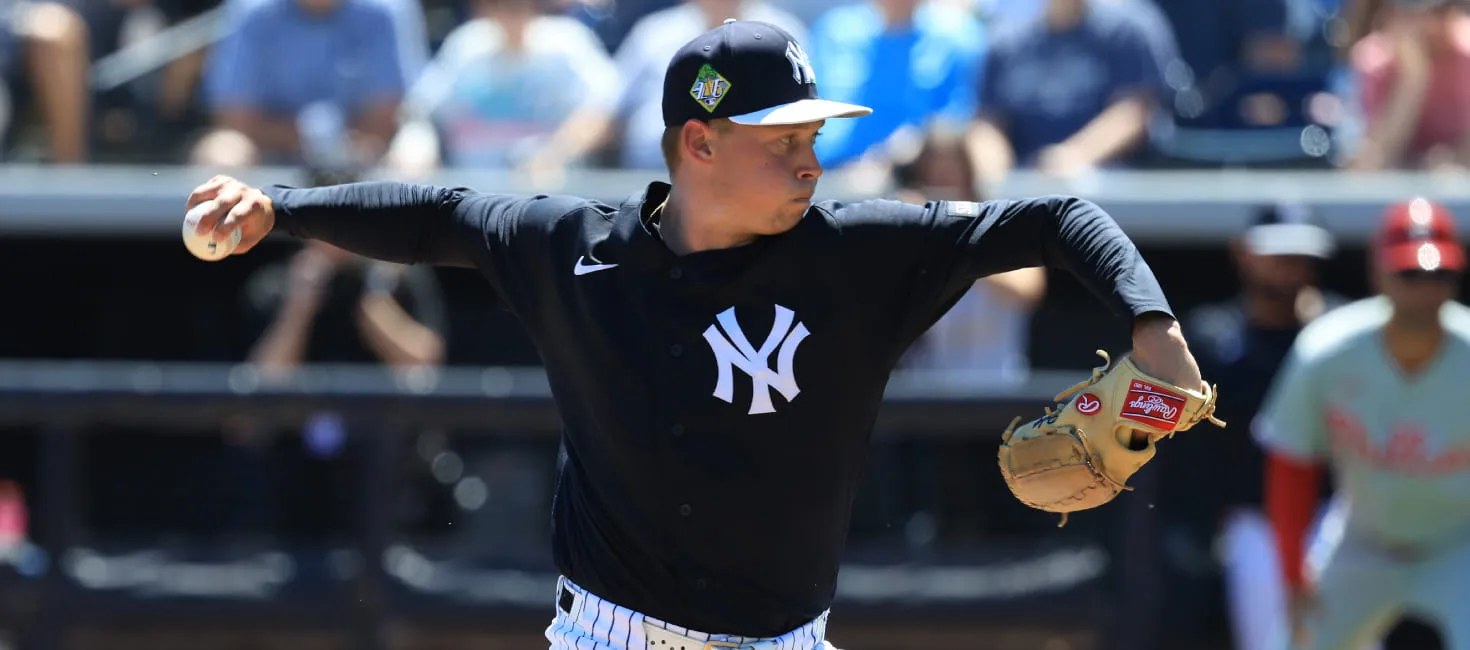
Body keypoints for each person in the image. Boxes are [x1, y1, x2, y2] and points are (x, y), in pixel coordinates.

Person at [185, 19, 1212, 650]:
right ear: (700, 141)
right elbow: (437, 216)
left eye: (813, 136)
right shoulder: (572, 249)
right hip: (606, 633)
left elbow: (1055, 218)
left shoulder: (858, 253)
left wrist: (1153, 321)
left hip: (786, 638)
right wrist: (281, 207)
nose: (811, 161)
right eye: (782, 140)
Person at [1256, 197, 1470, 650]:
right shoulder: (1328, 351)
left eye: (1438, 274)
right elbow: (1293, 466)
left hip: (1458, 543)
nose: (1425, 290)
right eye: (1410, 274)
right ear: (1379, 273)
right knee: (1294, 643)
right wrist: (1293, 575)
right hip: (1362, 540)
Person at [1160, 202, 1344, 650]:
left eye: (1299, 255)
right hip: (1251, 525)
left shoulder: (1342, 336)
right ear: (1243, 253)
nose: (1289, 266)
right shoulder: (1211, 340)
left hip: (1335, 520)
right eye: (1277, 253)